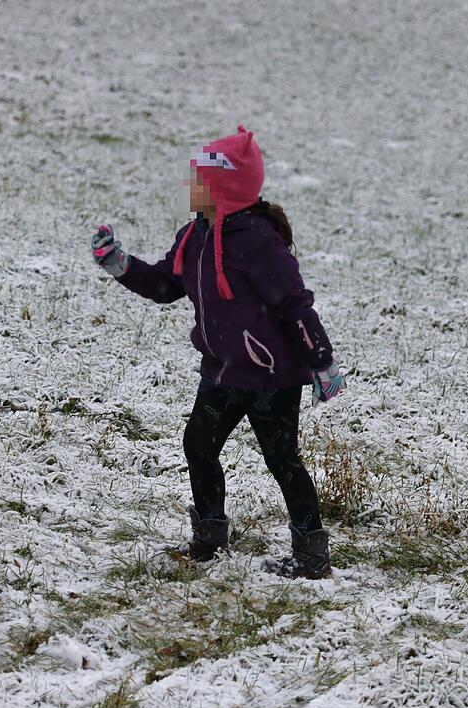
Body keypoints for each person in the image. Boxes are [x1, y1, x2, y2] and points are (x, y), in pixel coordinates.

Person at [89, 125, 345, 579]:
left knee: (281, 459)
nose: (191, 188)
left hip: (270, 376)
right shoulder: (196, 235)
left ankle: (311, 556)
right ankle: (209, 538)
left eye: (200, 181)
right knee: (198, 445)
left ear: (224, 188)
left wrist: (321, 360)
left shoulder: (259, 242)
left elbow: (295, 304)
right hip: (223, 371)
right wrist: (120, 265)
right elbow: (166, 285)